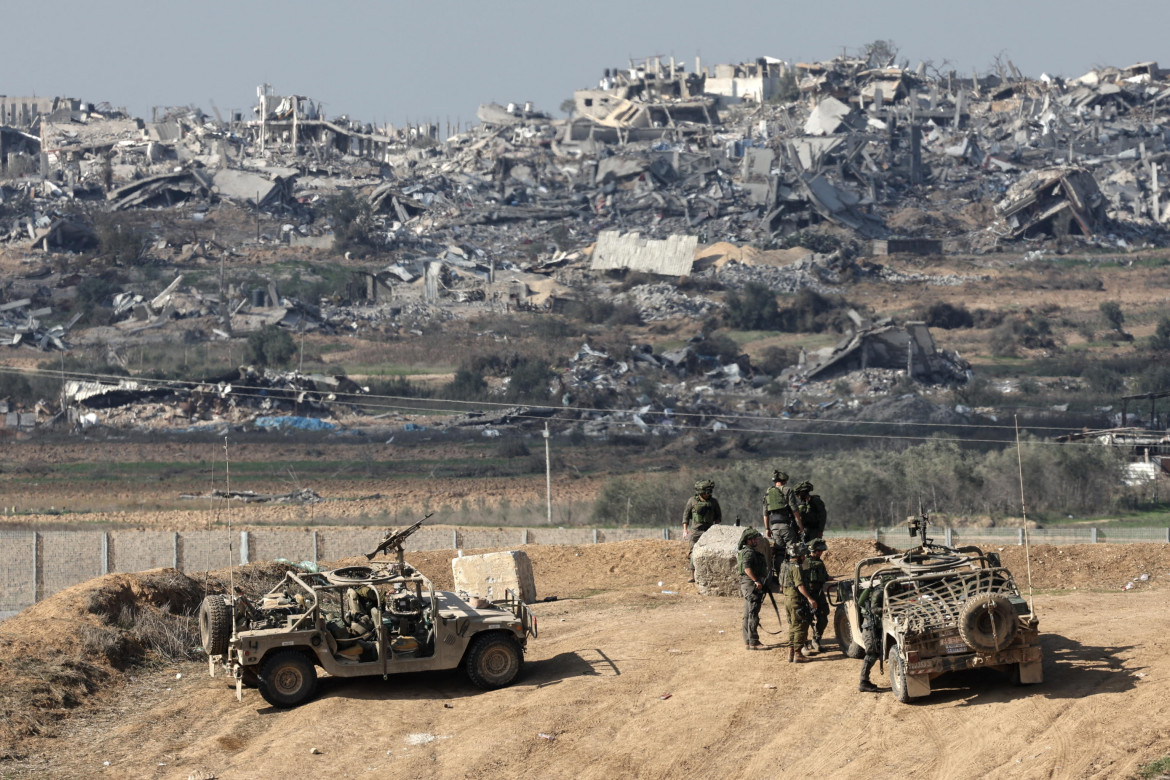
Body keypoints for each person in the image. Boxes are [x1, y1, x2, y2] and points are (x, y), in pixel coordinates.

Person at [782, 542, 818, 663]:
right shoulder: (796, 567)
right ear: (798, 555)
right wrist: (810, 598)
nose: (804, 557)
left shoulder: (784, 565)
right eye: (803, 554)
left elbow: (781, 586)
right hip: (796, 600)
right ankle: (798, 654)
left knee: (793, 626)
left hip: (788, 599)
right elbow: (800, 585)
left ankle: (791, 652)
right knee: (800, 626)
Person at [682, 479, 722, 583]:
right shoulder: (692, 501)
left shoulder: (713, 502)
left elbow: (718, 517)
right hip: (696, 531)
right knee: (693, 552)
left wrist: (716, 528)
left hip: (709, 532)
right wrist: (685, 530)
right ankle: (692, 575)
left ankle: (710, 574)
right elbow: (686, 516)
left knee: (710, 552)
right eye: (706, 492)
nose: (708, 494)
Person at [736, 528, 769, 650]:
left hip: (749, 584)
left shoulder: (748, 551)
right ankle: (754, 642)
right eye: (754, 539)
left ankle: (748, 641)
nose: (756, 540)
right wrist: (756, 581)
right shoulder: (749, 552)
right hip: (751, 585)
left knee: (747, 613)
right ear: (748, 540)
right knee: (753, 614)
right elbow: (747, 568)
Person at [802, 538, 833, 654]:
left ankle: (816, 640)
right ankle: (803, 644)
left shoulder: (820, 563)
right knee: (805, 620)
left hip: (819, 593)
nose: (820, 553)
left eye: (821, 551)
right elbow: (800, 580)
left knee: (823, 618)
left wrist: (830, 578)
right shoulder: (804, 562)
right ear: (812, 550)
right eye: (818, 550)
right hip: (807, 594)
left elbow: (824, 576)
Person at [762, 469, 805, 551]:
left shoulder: (768, 492)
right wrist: (800, 525)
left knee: (779, 552)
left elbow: (765, 513)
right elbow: (794, 510)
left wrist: (767, 529)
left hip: (774, 527)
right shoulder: (788, 490)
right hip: (786, 526)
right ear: (785, 481)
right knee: (793, 552)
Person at [858, 574, 886, 692]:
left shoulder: (882, 591)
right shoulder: (878, 592)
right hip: (870, 627)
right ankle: (863, 682)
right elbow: (874, 609)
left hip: (874, 626)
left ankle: (864, 681)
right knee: (871, 653)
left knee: (875, 652)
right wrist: (886, 609)